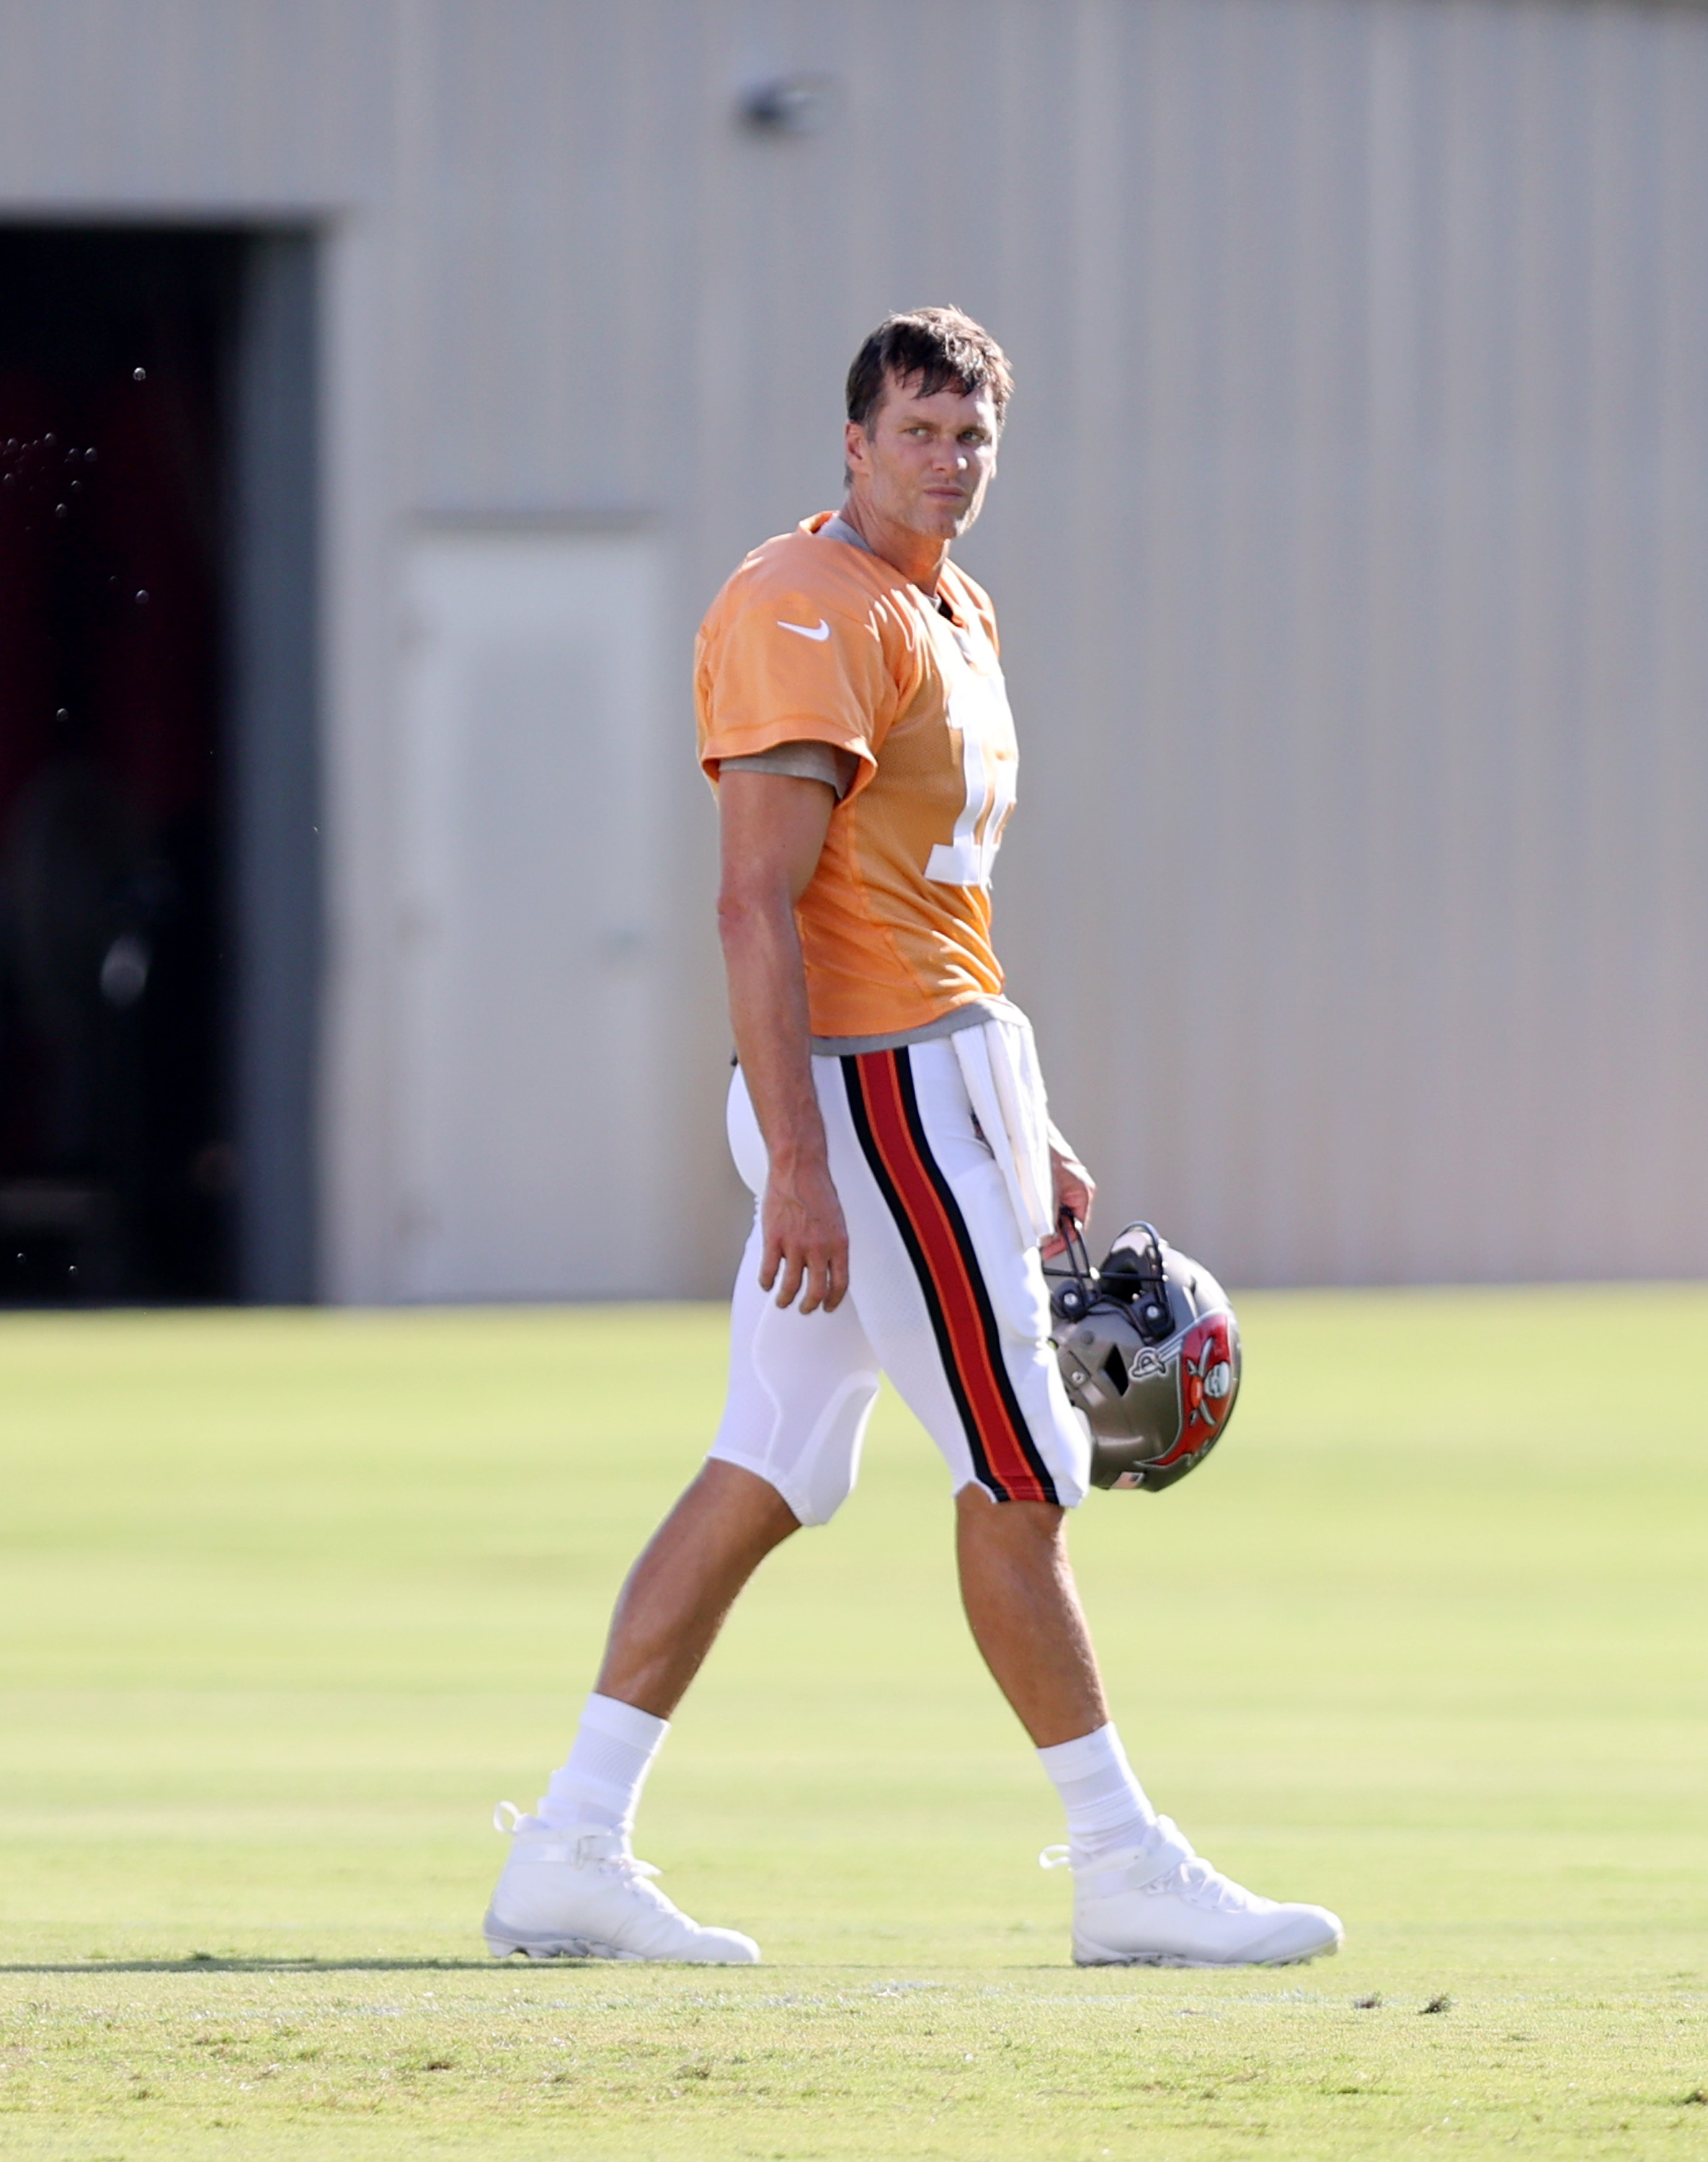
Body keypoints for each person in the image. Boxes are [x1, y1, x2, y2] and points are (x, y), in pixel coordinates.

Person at [480, 309, 1342, 1971]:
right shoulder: (804, 602)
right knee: (1019, 1471)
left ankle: (569, 1846)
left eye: (972, 438)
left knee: (771, 1466)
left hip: (937, 1073)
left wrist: (1026, 1115)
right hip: (869, 1089)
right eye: (918, 432)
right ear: (853, 442)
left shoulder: (946, 602)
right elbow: (754, 899)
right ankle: (1118, 1868)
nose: (946, 463)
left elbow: (930, 898)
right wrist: (804, 1156)